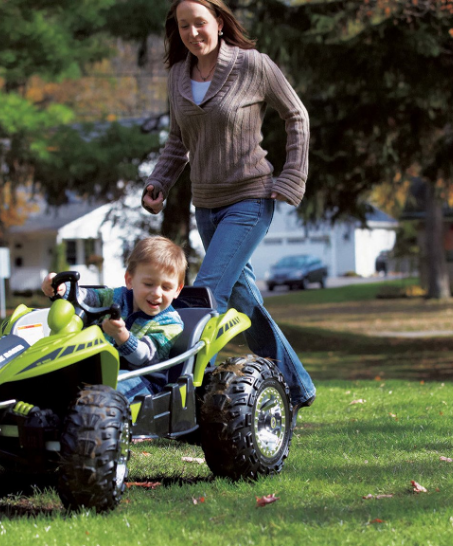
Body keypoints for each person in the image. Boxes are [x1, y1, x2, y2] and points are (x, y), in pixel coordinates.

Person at [141, 0, 316, 417]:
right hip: (208, 207)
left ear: (219, 23)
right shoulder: (178, 77)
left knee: (206, 295)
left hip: (250, 199)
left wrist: (291, 177)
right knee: (245, 302)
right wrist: (158, 183)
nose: (192, 32)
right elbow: (177, 143)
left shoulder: (253, 65)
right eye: (183, 25)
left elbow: (296, 115)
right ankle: (298, 387)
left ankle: (170, 397)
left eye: (199, 22)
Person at [41, 237, 186, 400]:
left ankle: (95, 419)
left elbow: (144, 356)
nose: (157, 293)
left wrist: (122, 336)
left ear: (177, 290)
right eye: (148, 284)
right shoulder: (118, 297)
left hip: (141, 379)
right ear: (130, 280)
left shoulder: (170, 323)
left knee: (104, 394)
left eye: (166, 287)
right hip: (99, 370)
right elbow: (88, 297)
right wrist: (62, 288)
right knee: (54, 380)